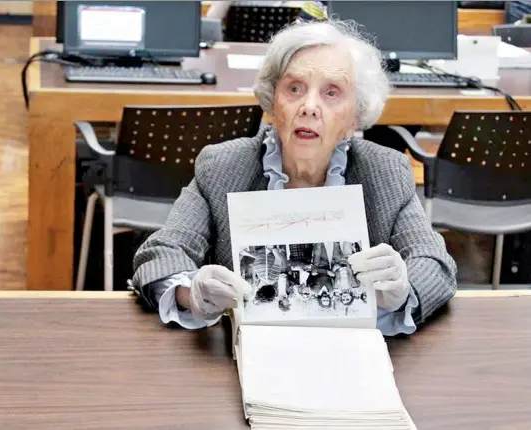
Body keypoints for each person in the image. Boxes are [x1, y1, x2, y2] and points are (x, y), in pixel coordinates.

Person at [130, 19, 458, 336]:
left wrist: (403, 289)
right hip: (246, 354)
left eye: (332, 93)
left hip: (353, 355)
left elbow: (434, 265)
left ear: (355, 116)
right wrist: (192, 294)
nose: (309, 106)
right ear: (273, 102)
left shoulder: (385, 171)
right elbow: (161, 253)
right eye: (295, 88)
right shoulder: (223, 166)